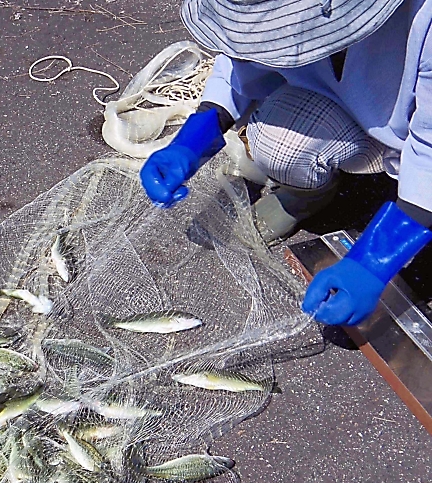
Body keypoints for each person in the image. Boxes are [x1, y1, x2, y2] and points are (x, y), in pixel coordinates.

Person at [139, 0, 432, 327]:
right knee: (278, 148)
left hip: (404, 128)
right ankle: (311, 190)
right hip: (337, 101)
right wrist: (192, 141)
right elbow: (240, 57)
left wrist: (376, 259)